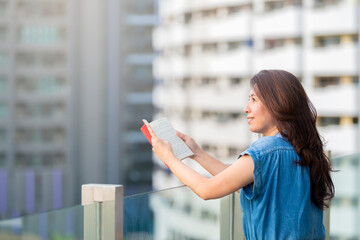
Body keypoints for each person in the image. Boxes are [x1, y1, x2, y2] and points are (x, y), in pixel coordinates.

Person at [144, 69, 335, 239]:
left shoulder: (264, 150)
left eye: (254, 99)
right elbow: (239, 179)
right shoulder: (301, 147)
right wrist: (197, 153)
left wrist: (168, 157)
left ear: (278, 104)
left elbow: (207, 190)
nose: (246, 108)